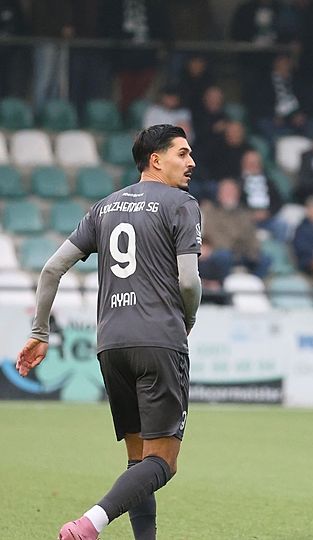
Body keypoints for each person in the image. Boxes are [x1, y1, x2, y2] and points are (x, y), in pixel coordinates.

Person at [16, 125, 201, 540]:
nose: (191, 163)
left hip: (112, 344)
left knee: (139, 460)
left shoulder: (103, 208)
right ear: (156, 160)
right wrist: (186, 321)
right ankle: (90, 524)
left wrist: (40, 332)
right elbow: (189, 281)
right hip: (159, 340)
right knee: (163, 461)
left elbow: (52, 269)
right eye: (183, 153)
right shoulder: (181, 204)